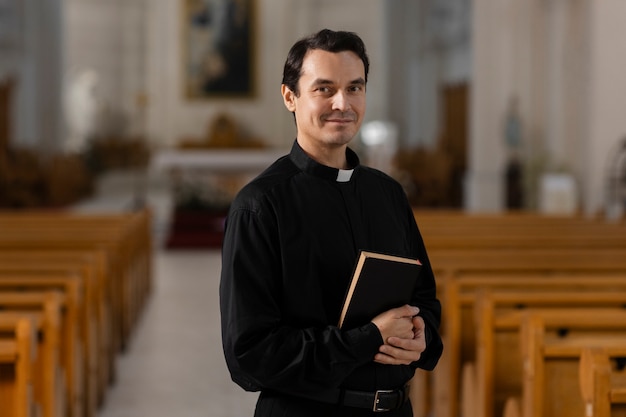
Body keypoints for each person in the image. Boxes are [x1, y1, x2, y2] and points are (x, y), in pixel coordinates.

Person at [219, 28, 443, 417]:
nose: (343, 103)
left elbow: (423, 297)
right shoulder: (259, 206)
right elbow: (249, 354)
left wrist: (422, 336)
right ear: (290, 97)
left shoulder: (388, 193)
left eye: (354, 88)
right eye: (324, 89)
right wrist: (367, 339)